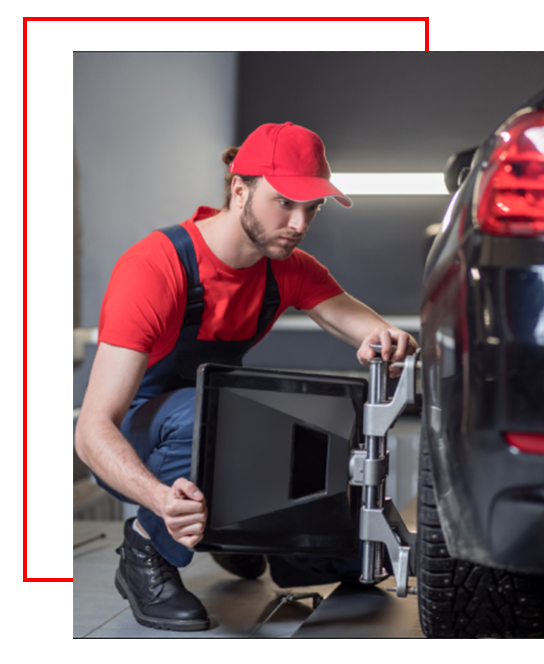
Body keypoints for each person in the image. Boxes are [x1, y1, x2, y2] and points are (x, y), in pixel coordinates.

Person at [75, 121, 418, 632]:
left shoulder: (289, 267)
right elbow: (92, 429)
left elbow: (370, 329)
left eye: (313, 208)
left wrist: (390, 344)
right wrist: (159, 500)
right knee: (217, 415)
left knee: (283, 413)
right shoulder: (156, 266)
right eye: (285, 202)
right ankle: (146, 550)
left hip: (209, 427)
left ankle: (252, 541)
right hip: (135, 440)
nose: (300, 223)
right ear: (240, 189)